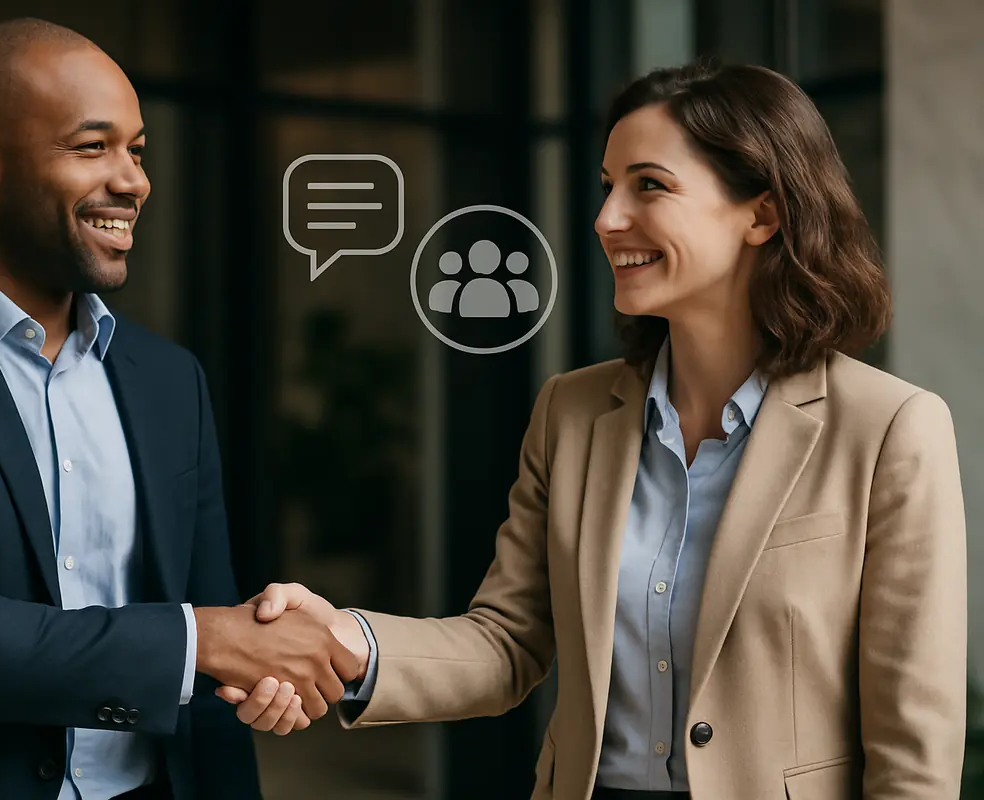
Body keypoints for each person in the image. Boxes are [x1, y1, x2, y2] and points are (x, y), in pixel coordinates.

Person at [220, 61, 969, 799]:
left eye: (650, 185)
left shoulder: (888, 429)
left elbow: (912, 744)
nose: (608, 220)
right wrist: (347, 642)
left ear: (762, 215)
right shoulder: (571, 413)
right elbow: (506, 642)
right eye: (607, 187)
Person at [0, 18, 358, 800]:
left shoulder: (168, 379)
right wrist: (198, 643)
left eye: (138, 150)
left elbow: (219, 668)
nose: (134, 181)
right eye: (93, 147)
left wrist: (248, 663)